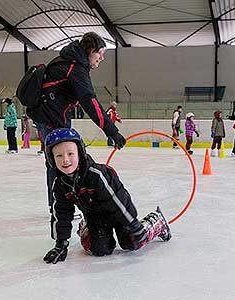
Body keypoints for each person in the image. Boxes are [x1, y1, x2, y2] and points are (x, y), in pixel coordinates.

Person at [26, 32, 126, 210]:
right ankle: (59, 206)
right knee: (61, 161)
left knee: (67, 159)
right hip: (52, 118)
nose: (102, 58)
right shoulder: (75, 67)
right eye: (100, 53)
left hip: (51, 116)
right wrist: (113, 132)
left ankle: (65, 202)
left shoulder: (70, 62)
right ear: (90, 50)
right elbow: (90, 101)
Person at [42, 128, 171, 264]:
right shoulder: (59, 184)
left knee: (132, 242)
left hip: (117, 213)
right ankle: (85, 227)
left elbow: (118, 200)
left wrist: (133, 224)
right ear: (52, 159)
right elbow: (61, 212)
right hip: (95, 216)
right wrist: (60, 243)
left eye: (70, 154)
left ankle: (157, 221)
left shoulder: (96, 175)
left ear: (80, 153)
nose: (65, 160)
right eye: (59, 156)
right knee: (98, 250)